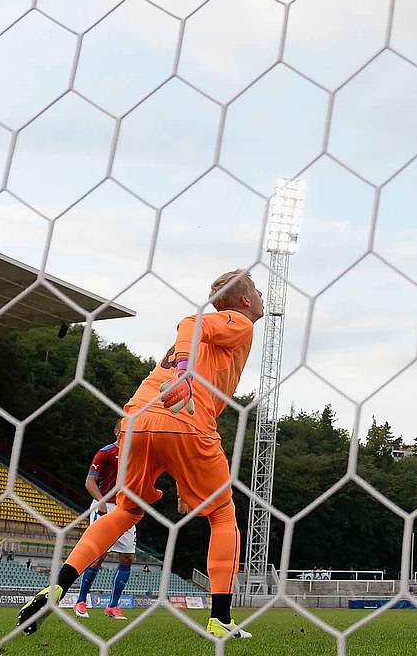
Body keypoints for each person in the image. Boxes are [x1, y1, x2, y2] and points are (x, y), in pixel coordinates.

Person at [18, 271, 263, 639]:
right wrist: (183, 373)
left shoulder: (219, 337)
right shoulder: (240, 323)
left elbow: (197, 333)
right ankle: (221, 618)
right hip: (184, 414)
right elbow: (190, 321)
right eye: (256, 290)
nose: (262, 296)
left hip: (137, 421)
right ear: (244, 301)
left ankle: (57, 587)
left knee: (126, 511)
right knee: (223, 516)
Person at [75, 419, 138, 621]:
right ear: (116, 431)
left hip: (127, 508)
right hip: (106, 505)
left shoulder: (137, 455)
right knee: (97, 556)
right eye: (124, 429)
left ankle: (113, 606)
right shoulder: (106, 452)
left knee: (128, 557)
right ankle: (81, 601)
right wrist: (101, 502)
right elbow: (90, 481)